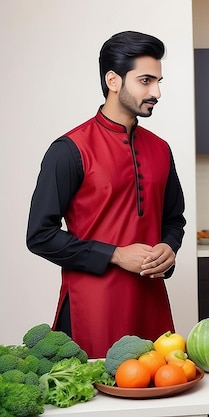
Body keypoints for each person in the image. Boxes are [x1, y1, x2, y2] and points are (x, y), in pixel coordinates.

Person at [26, 31, 186, 358]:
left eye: (158, 81)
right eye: (145, 80)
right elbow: (39, 235)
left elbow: (174, 219)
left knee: (158, 398)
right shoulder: (70, 149)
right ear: (113, 80)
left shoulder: (160, 149)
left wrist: (169, 248)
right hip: (92, 307)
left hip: (151, 303)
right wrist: (115, 254)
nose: (156, 91)